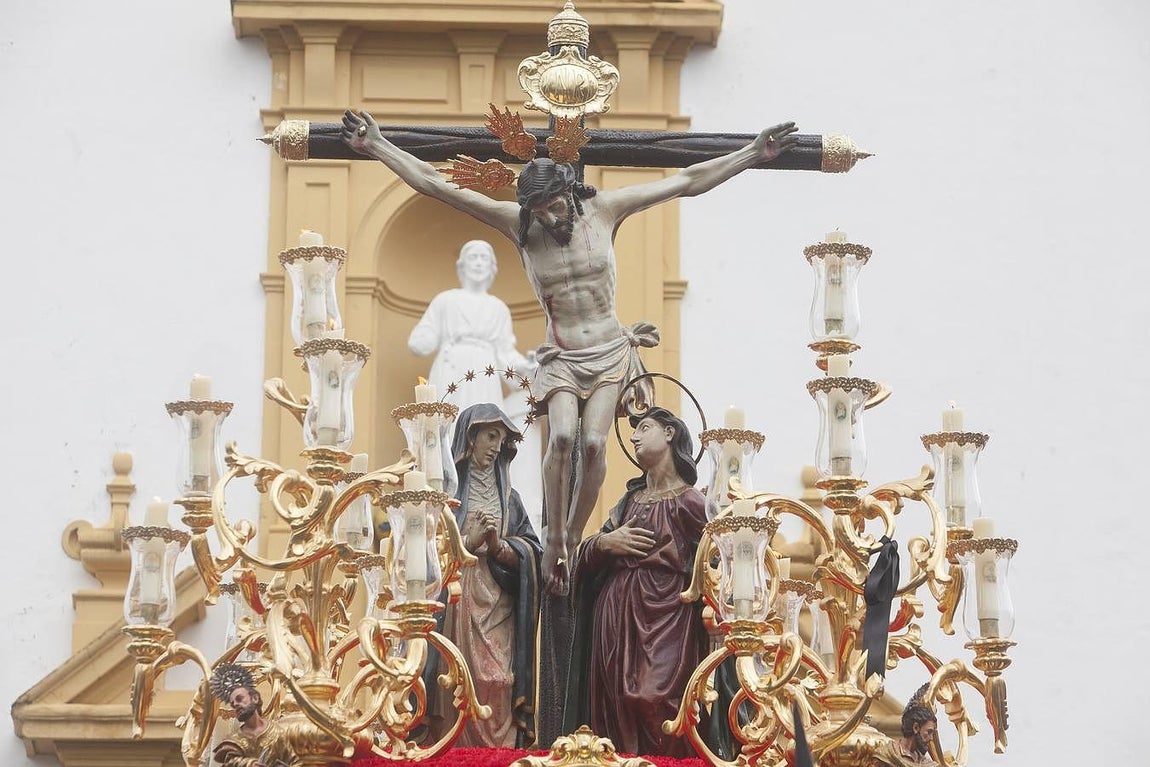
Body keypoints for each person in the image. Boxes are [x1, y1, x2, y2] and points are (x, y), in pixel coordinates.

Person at [342, 109, 798, 595]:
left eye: (554, 206)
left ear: (571, 192)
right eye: (537, 211)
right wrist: (377, 146)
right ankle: (554, 535)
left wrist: (753, 153)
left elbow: (687, 180)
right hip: (561, 358)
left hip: (607, 352)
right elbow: (437, 186)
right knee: (560, 440)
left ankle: (573, 535)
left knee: (596, 444)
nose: (547, 218)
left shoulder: (605, 210)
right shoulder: (520, 227)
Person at [562, 407, 709, 757]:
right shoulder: (628, 501)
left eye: (644, 427)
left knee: (654, 699)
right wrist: (605, 543)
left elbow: (717, 561)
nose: (634, 437)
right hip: (615, 621)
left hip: (668, 619)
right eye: (633, 431)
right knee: (616, 703)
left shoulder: (692, 502)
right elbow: (587, 555)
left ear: (670, 433)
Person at [426, 403, 542, 747]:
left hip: (498, 598)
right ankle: (457, 748)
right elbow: (424, 549)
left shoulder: (511, 499)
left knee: (499, 677)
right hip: (458, 597)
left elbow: (532, 549)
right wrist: (465, 543)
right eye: (490, 436)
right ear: (470, 437)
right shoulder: (445, 494)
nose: (495, 445)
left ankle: (500, 750)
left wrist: (498, 546)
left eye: (501, 438)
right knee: (460, 677)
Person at [407, 239, 532, 412]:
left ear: (491, 266)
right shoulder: (446, 300)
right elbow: (422, 338)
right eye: (473, 257)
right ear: (462, 265)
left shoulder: (498, 308)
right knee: (448, 418)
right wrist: (425, 339)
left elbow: (505, 352)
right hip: (451, 365)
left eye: (484, 258)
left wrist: (526, 366)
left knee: (484, 419)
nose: (479, 263)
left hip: (485, 370)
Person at [209, 663, 297, 767]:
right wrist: (248, 764)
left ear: (255, 698)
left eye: (239, 698)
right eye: (233, 704)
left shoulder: (279, 734)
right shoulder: (233, 742)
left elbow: (295, 761)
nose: (236, 704)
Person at [875, 684, 939, 766]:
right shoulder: (887, 756)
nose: (931, 738)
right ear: (916, 728)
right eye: (929, 732)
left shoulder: (926, 763)